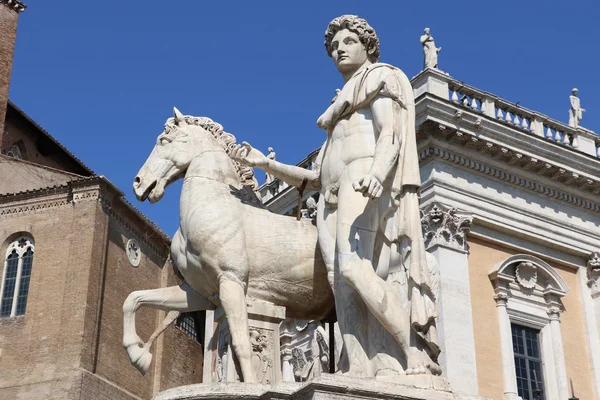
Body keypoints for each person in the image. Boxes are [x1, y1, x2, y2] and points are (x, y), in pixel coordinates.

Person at [233, 15, 440, 376]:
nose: (338, 50)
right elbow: (315, 177)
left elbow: (389, 132)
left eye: (347, 42)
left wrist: (378, 173)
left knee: (353, 268)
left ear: (367, 46)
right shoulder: (338, 111)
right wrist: (268, 164)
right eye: (333, 46)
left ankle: (413, 351)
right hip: (329, 195)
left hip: (362, 178)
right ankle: (357, 366)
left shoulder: (376, 79)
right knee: (340, 284)